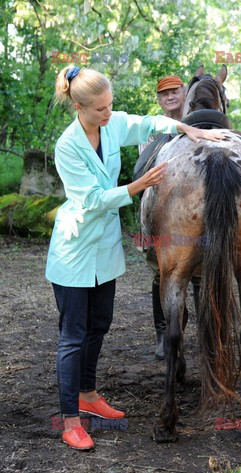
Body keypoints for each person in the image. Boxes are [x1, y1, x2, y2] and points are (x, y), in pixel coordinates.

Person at [45, 64, 225, 451]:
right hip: (75, 249)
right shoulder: (67, 146)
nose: (109, 115)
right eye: (100, 110)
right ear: (79, 106)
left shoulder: (110, 124)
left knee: (100, 324)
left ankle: (88, 394)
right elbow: (90, 200)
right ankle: (70, 420)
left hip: (103, 248)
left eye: (111, 106)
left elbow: (145, 123)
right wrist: (138, 186)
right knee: (73, 337)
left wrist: (185, 128)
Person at [138, 75, 201, 360]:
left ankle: (205, 334)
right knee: (159, 269)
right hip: (164, 208)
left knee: (202, 271)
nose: (170, 97)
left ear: (185, 92)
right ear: (158, 100)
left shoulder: (200, 123)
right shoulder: (151, 131)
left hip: (195, 209)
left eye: (175, 91)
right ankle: (163, 333)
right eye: (164, 94)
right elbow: (149, 170)